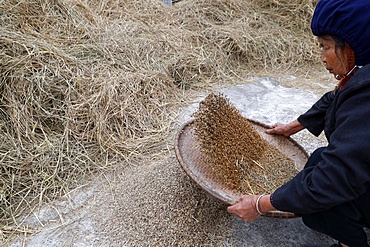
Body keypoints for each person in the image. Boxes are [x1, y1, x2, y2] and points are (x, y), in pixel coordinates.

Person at [227, 0, 370, 246]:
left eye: (326, 47)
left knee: (320, 203)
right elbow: (335, 99)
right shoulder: (362, 73)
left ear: (351, 48)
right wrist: (293, 126)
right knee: (318, 160)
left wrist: (260, 204)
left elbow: (333, 179)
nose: (322, 58)